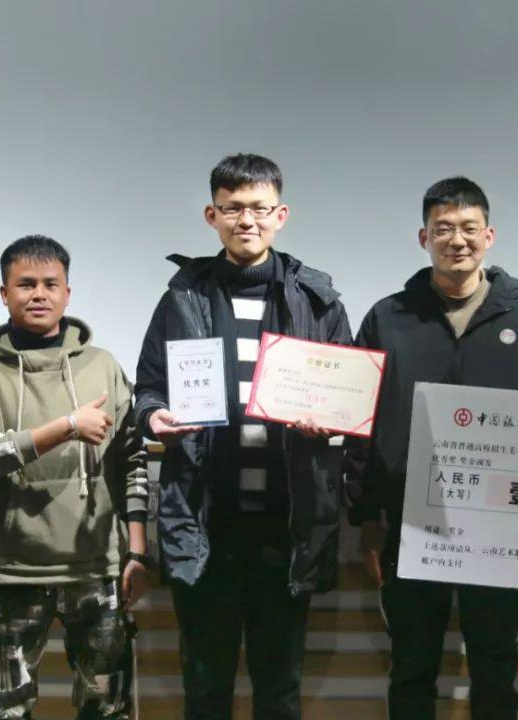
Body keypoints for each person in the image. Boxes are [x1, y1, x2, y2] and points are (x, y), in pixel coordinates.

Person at [345, 176, 518, 719]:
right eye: (443, 228)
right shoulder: (387, 318)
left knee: (495, 665)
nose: (457, 240)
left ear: (489, 236)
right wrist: (367, 516)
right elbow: (360, 423)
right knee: (411, 666)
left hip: (501, 526)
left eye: (469, 228)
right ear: (423, 238)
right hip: (409, 526)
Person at [134, 153, 352, 719]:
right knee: (205, 688)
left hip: (287, 525)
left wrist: (330, 419)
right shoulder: (181, 297)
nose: (246, 220)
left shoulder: (319, 300)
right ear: (212, 215)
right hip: (206, 522)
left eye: (259, 208)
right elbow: (149, 388)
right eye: (232, 209)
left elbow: (347, 391)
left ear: (281, 214)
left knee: (279, 689)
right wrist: (154, 417)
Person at [0, 235, 150, 719]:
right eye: (25, 284)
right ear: (4, 293)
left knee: (108, 709)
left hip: (97, 570)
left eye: (50, 284)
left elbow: (132, 460)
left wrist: (137, 552)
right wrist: (66, 427)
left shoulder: (102, 366)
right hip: (12, 572)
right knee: (6, 712)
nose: (38, 294)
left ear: (67, 292)